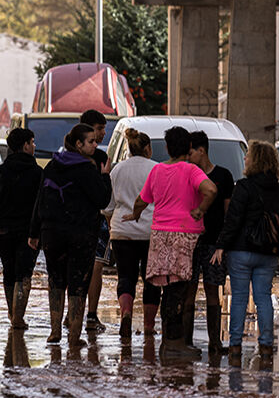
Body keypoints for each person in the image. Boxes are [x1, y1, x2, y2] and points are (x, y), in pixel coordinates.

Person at [124, 126, 217, 359]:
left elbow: (141, 200)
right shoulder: (191, 170)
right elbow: (211, 190)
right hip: (184, 236)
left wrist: (135, 215)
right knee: (179, 290)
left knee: (167, 289)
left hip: (159, 236)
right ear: (188, 147)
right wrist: (201, 209)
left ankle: (168, 342)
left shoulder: (157, 170)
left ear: (166, 148)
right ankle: (174, 344)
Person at [212, 140, 279, 357]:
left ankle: (235, 345)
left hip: (241, 251)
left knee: (239, 298)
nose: (245, 158)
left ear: (256, 160)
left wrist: (221, 245)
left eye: (248, 155)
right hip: (268, 253)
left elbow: (233, 220)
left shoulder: (243, 186)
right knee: (263, 297)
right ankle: (267, 344)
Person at [29, 123, 112, 347]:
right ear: (78, 144)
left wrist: (34, 232)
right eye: (91, 141)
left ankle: (55, 331)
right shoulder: (87, 169)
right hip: (81, 235)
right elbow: (102, 200)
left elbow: (40, 200)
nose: (95, 145)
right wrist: (105, 176)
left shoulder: (52, 165)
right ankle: (74, 336)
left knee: (55, 280)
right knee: (78, 284)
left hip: (52, 233)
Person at [0, 127, 43, 329]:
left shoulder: (0, 172)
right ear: (25, 146)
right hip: (29, 233)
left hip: (4, 231)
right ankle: (18, 317)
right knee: (24, 273)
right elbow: (43, 205)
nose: (34, 146)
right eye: (32, 142)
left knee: (9, 272)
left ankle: (12, 312)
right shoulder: (37, 173)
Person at [106, 128, 160, 338]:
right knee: (152, 279)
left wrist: (113, 229)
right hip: (150, 232)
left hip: (122, 232)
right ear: (148, 148)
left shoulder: (117, 170)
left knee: (125, 277)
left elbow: (109, 208)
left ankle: (126, 312)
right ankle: (148, 325)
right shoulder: (156, 169)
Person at [185, 130, 234, 354]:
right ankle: (187, 341)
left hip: (214, 242)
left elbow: (227, 212)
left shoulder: (223, 175)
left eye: (191, 152)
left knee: (213, 290)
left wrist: (223, 243)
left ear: (201, 151)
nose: (188, 157)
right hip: (191, 240)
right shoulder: (187, 175)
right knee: (189, 290)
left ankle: (215, 341)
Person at [80, 108, 112, 332]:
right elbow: (104, 196)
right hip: (93, 219)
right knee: (94, 267)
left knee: (86, 267)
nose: (102, 134)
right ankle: (88, 314)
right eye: (100, 129)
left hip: (77, 220)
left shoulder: (66, 157)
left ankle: (77, 314)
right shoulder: (100, 159)